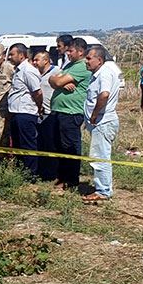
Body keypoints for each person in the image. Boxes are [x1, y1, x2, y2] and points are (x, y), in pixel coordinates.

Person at [48, 37, 94, 191]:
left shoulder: (81, 67)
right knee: (60, 146)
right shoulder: (69, 65)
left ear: (80, 52)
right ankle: (62, 177)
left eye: (71, 51)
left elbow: (57, 82)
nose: (67, 53)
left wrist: (58, 81)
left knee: (70, 147)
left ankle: (71, 180)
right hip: (60, 111)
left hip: (71, 112)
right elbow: (52, 80)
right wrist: (56, 80)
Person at [81, 44, 121, 203]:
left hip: (102, 122)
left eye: (89, 58)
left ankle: (103, 191)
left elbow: (104, 95)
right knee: (99, 155)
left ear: (99, 59)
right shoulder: (97, 74)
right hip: (99, 122)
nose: (86, 61)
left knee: (100, 157)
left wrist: (94, 114)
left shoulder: (104, 74)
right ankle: (103, 188)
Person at [5, 43, 43, 175]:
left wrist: (39, 108)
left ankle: (30, 173)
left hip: (25, 112)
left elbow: (37, 92)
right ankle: (20, 171)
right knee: (17, 144)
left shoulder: (28, 70)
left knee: (27, 144)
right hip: (16, 112)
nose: (10, 57)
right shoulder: (18, 70)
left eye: (12, 54)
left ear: (21, 55)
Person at [33, 50, 60, 180]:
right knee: (40, 143)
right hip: (38, 113)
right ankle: (42, 171)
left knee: (51, 144)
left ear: (46, 60)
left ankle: (52, 172)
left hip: (51, 113)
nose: (34, 62)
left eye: (37, 60)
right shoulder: (35, 73)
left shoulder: (57, 72)